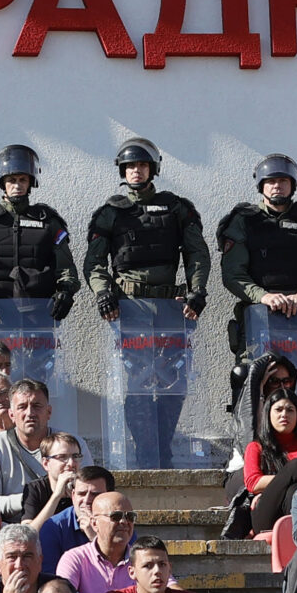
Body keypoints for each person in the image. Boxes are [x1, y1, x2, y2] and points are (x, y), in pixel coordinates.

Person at [84, 140, 207, 466]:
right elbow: (94, 263)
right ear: (123, 172)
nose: (135, 171)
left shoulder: (178, 208)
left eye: (141, 165)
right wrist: (103, 292)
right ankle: (143, 453)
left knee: (172, 385)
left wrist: (197, 291)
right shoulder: (111, 212)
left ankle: (163, 450)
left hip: (170, 309)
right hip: (129, 310)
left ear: (153, 169)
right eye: (129, 167)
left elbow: (197, 253)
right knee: (137, 385)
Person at [217, 154, 297, 401]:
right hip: (260, 321)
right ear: (261, 186)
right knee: (250, 384)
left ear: (292, 185)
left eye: (283, 181)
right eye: (271, 181)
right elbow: (233, 274)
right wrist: (263, 296)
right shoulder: (244, 221)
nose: (277, 186)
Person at [0, 144, 82, 324]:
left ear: (30, 183)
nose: (17, 185)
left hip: (41, 317)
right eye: (12, 180)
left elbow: (66, 268)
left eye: (22, 179)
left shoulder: (49, 221)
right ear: (2, 183)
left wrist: (66, 292)